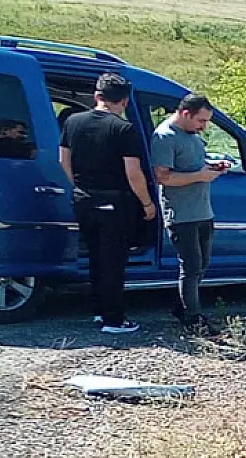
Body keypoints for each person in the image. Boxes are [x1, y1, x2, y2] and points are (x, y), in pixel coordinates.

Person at [59, 73, 155, 334]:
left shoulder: (72, 122)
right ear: (124, 101)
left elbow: (63, 160)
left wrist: (78, 186)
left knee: (95, 257)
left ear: (96, 96)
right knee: (113, 261)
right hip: (114, 201)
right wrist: (147, 203)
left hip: (84, 198)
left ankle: (99, 311)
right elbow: (133, 173)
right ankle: (114, 319)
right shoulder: (123, 129)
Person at [150, 93, 228, 335]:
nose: (204, 127)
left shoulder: (192, 136)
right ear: (186, 114)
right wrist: (199, 176)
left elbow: (194, 164)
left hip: (203, 210)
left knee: (202, 264)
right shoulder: (165, 136)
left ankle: (183, 306)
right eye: (201, 121)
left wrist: (212, 167)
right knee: (191, 266)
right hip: (181, 214)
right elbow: (162, 177)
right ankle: (193, 319)